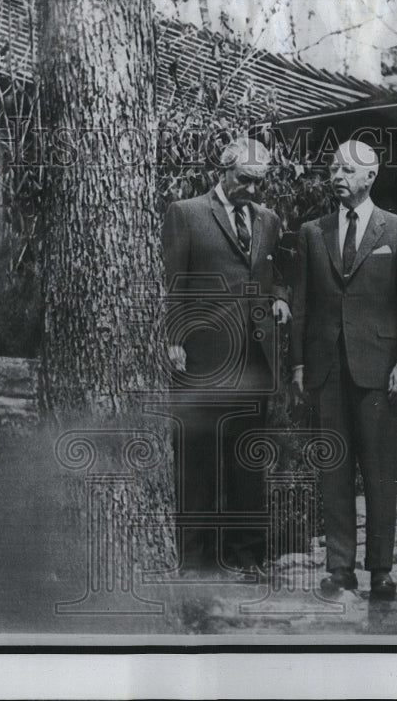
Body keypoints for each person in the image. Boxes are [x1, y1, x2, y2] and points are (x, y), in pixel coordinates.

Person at [290, 140, 397, 599]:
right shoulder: (312, 232)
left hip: (380, 370)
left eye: (346, 170)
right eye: (332, 168)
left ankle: (381, 569)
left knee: (380, 471)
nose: (336, 176)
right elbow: (302, 304)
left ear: (370, 177)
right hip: (327, 369)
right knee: (336, 469)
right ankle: (339, 568)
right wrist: (300, 364)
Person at [161, 138, 290, 575]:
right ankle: (194, 561)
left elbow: (278, 272)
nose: (253, 191)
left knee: (246, 463)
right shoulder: (187, 213)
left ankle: (246, 557)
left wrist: (280, 298)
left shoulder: (269, 221)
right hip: (202, 359)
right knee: (196, 462)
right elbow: (174, 282)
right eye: (246, 181)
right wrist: (174, 338)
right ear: (224, 171)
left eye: (259, 183)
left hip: (254, 361)